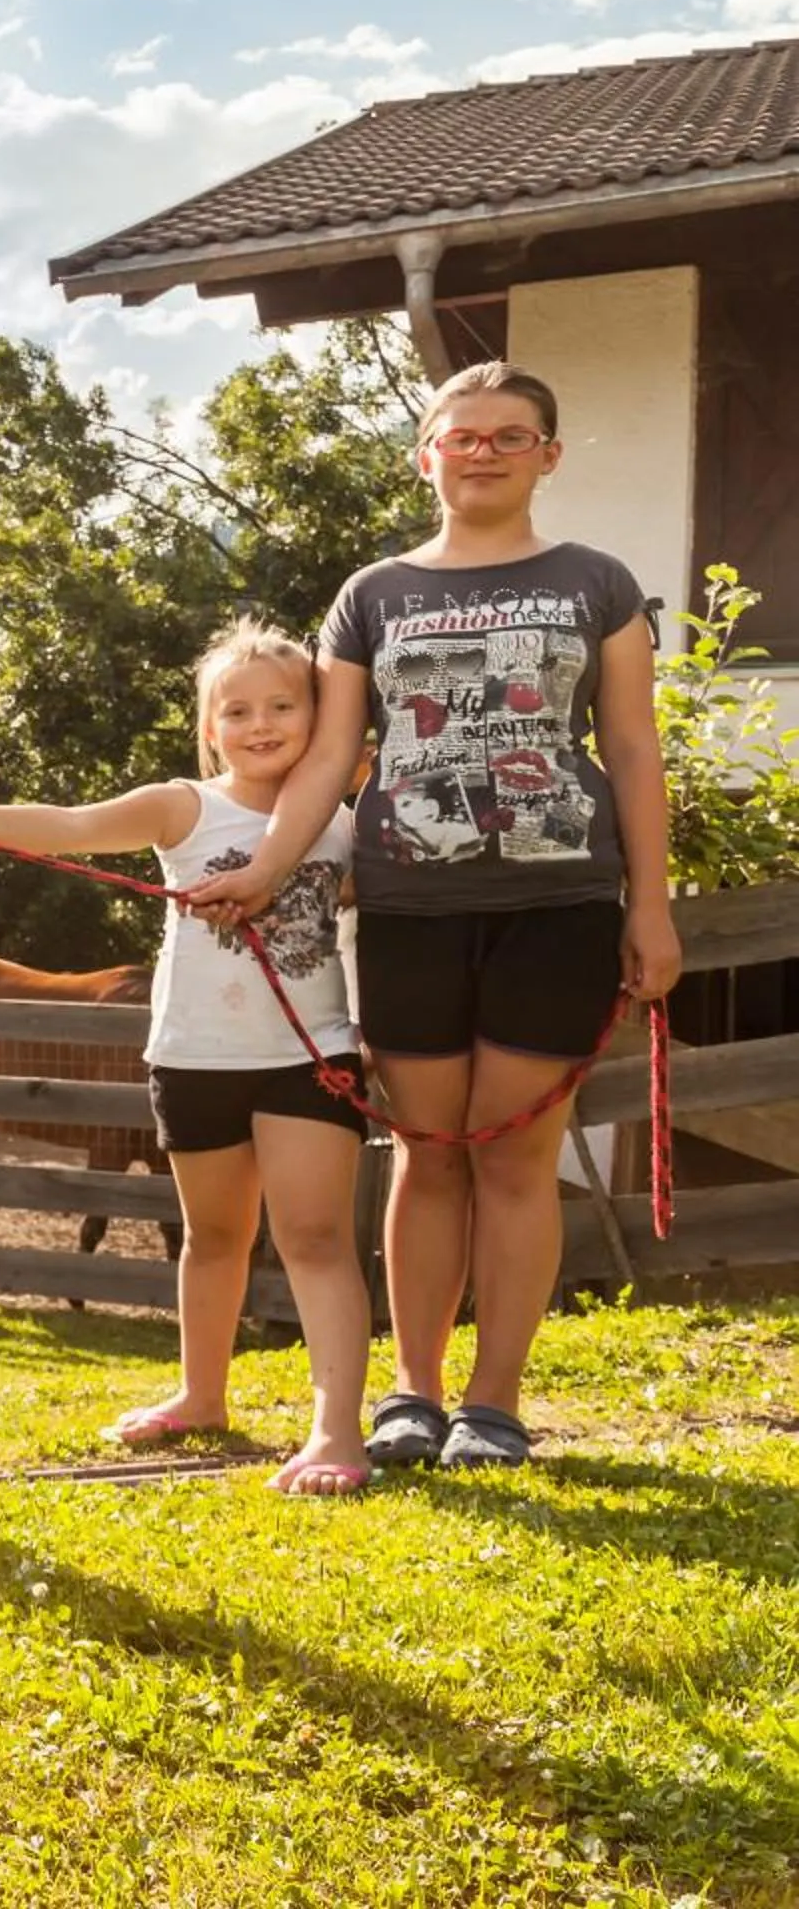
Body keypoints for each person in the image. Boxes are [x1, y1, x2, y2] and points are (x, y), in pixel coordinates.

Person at [190, 359, 682, 1471]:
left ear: (548, 455)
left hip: (560, 904)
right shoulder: (372, 594)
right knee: (427, 1154)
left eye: (510, 436)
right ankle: (412, 1393)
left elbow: (632, 746)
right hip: (410, 905)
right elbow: (331, 756)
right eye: (463, 436)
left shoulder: (597, 582)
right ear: (427, 456)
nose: (484, 453)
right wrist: (265, 868)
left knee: (514, 1160)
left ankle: (493, 1404)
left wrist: (650, 908)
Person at [0, 619, 376, 1494]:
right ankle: (201, 1396)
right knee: (214, 1238)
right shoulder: (183, 807)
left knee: (314, 1240)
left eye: (283, 706)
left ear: (321, 717)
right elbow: (71, 825)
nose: (260, 725)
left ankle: (336, 1432)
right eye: (237, 710)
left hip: (309, 1063)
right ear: (209, 727)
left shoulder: (342, 824)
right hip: (194, 1059)